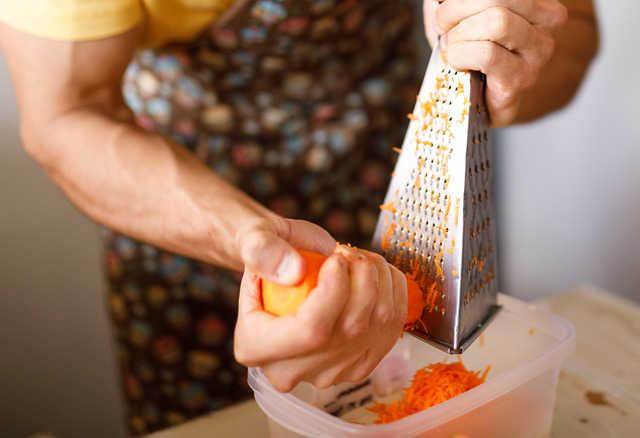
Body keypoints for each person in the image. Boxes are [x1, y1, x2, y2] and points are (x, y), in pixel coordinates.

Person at [0, 0, 598, 434]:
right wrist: (255, 241)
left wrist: (504, 58)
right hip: (187, 211)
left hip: (396, 169)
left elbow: (576, 33)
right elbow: (66, 114)